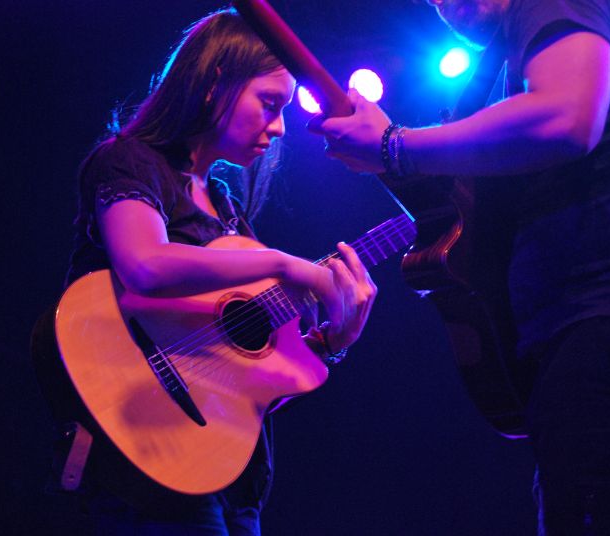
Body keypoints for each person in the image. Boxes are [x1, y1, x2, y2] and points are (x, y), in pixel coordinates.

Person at [32, 7, 377, 535]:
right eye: (269, 103)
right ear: (217, 81)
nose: (280, 127)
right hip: (145, 465)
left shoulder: (225, 207)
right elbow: (145, 265)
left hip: (231, 482)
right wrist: (286, 265)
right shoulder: (130, 162)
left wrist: (332, 341)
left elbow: (235, 384)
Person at [310, 0, 610, 534]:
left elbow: (567, 116)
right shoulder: (508, 60)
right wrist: (388, 147)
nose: (445, 3)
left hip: (607, 323)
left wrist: (396, 146)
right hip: (582, 332)